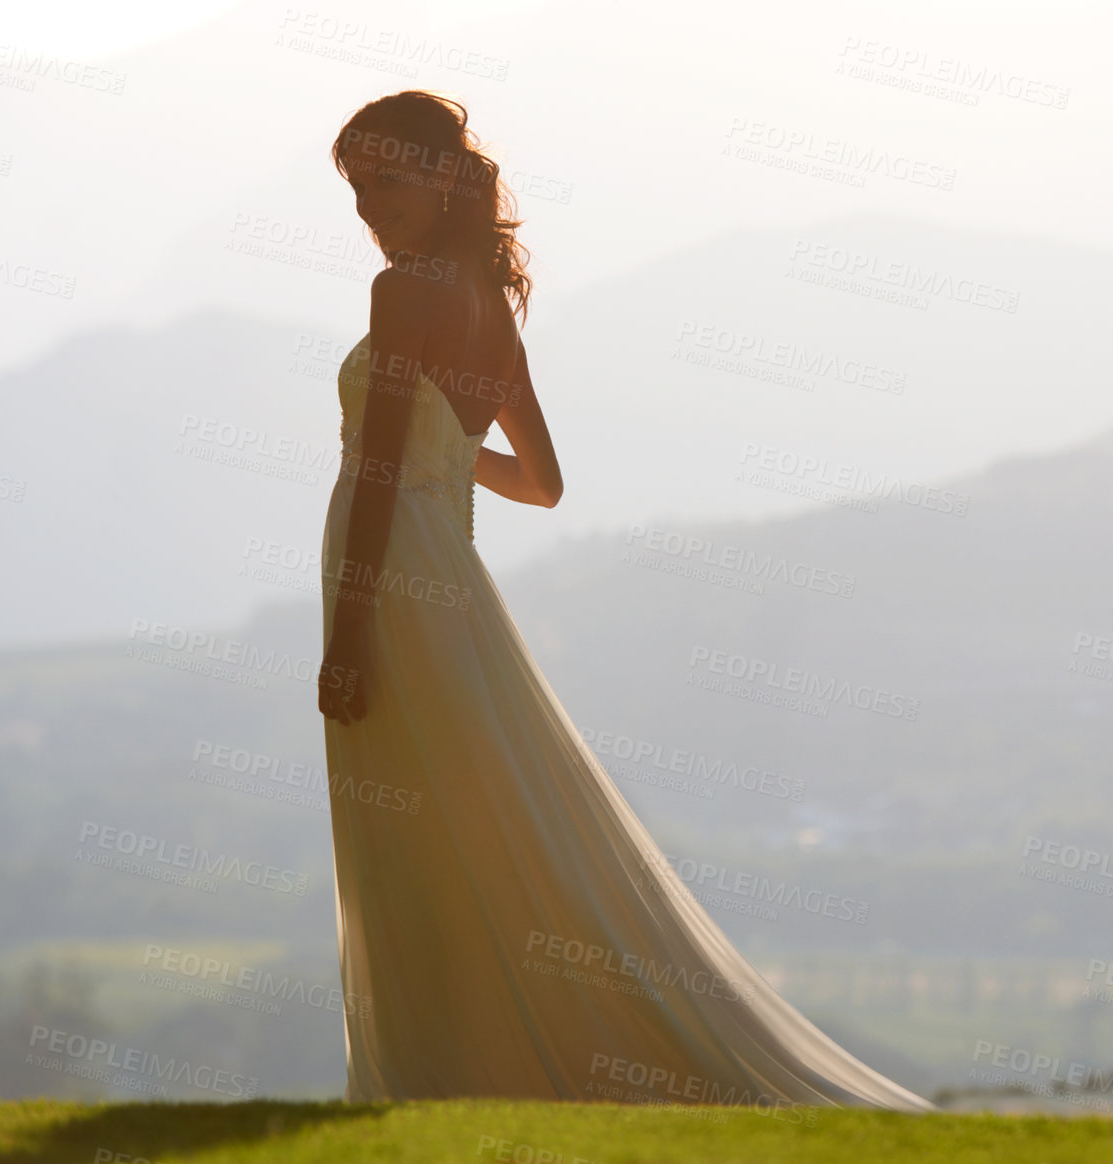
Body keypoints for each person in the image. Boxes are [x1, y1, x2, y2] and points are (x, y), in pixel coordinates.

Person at [316, 89, 934, 1114]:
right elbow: (541, 480)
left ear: (439, 176)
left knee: (415, 828)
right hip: (447, 577)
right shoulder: (483, 298)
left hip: (388, 587)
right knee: (471, 823)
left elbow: (379, 471)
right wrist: (443, 458)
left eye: (384, 179)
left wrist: (345, 637)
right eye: (355, 187)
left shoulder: (404, 292)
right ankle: (476, 1071)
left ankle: (434, 1076)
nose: (367, 205)